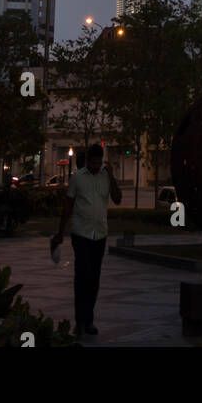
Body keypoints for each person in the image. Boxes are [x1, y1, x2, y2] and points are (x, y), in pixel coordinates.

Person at [54, 143, 122, 338]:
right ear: (88, 161)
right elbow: (68, 206)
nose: (96, 166)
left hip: (100, 234)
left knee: (94, 279)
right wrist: (60, 233)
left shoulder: (105, 176)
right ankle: (80, 321)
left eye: (99, 162)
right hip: (81, 234)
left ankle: (89, 320)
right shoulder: (77, 178)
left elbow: (117, 199)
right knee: (82, 277)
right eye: (93, 162)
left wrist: (111, 176)